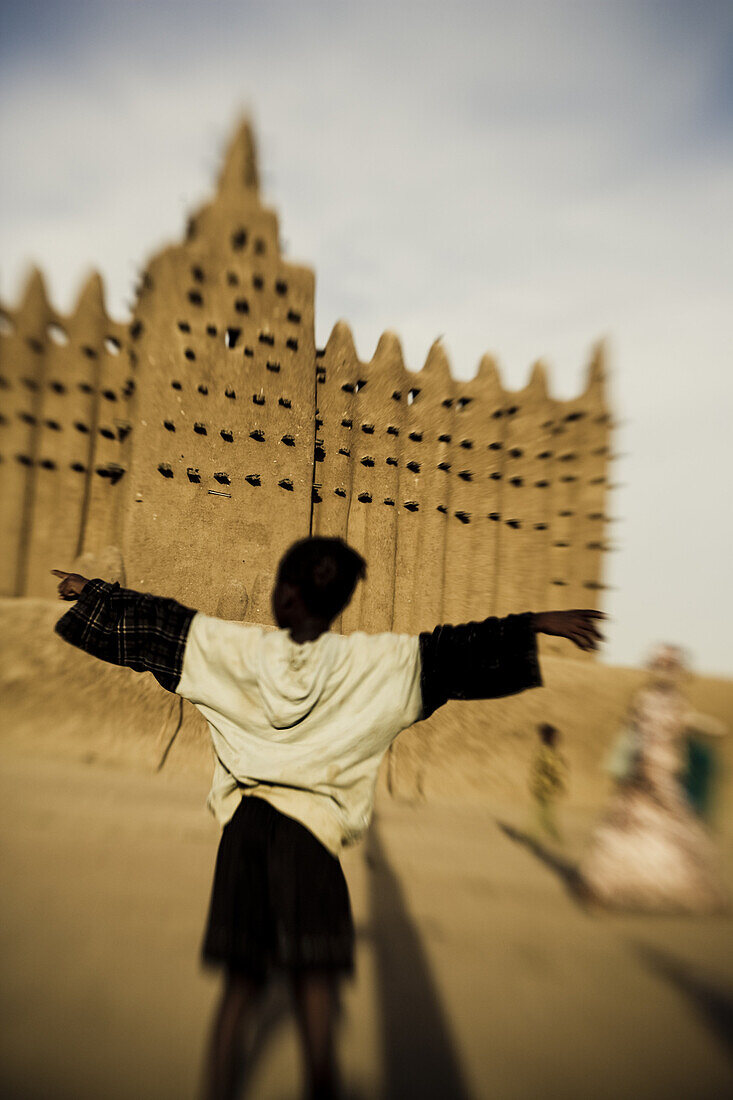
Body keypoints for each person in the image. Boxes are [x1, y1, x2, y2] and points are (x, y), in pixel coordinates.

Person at [51, 539, 604, 1099]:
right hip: (310, 841)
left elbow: (160, 627)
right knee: (315, 993)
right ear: (338, 602)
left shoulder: (236, 651)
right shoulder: (373, 666)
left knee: (240, 988)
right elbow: (450, 653)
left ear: (285, 594)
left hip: (244, 835)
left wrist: (91, 592)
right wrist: (537, 622)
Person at [577, 644, 728, 914]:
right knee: (637, 831)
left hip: (664, 773)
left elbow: (681, 724)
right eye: (662, 666)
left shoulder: (675, 701)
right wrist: (651, 775)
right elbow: (647, 739)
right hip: (649, 776)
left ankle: (691, 893)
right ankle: (600, 890)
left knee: (660, 833)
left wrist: (709, 727)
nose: (666, 673)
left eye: (671, 668)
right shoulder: (648, 700)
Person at [530, 723, 568, 843]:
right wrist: (560, 784)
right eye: (555, 737)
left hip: (543, 787)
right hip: (545, 787)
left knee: (543, 814)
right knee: (545, 814)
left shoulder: (544, 751)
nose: (557, 740)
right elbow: (553, 770)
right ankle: (554, 838)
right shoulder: (547, 753)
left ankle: (536, 836)